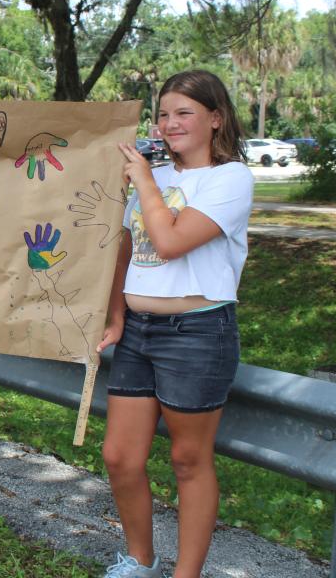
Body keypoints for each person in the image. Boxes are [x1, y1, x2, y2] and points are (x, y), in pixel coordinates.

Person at [97, 70, 253, 578]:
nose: (169, 123)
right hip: (139, 333)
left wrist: (143, 181)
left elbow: (170, 241)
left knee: (188, 460)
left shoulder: (230, 179)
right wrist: (118, 314)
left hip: (198, 334)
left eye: (184, 113)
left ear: (216, 118)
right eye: (162, 114)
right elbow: (127, 248)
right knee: (120, 457)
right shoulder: (155, 175)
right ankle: (140, 561)